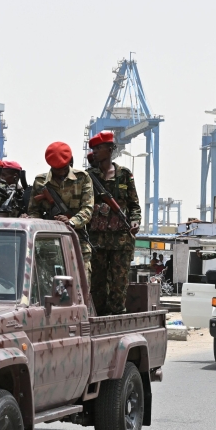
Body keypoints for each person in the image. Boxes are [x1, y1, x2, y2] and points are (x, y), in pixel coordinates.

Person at [84, 131, 142, 315]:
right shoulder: (88, 177)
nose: (94, 152)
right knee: (97, 284)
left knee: (119, 283)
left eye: (98, 148)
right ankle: (100, 318)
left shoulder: (124, 175)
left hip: (121, 240)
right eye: (93, 149)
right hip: (97, 240)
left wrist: (135, 221)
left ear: (109, 150)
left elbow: (134, 205)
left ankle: (116, 317)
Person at [28, 141, 95, 280]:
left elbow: (88, 208)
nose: (61, 173)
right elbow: (34, 211)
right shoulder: (40, 182)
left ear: (69, 162)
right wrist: (45, 224)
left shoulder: (82, 178)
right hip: (48, 245)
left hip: (77, 242)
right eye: (56, 169)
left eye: (63, 168)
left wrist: (71, 222)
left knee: (81, 287)